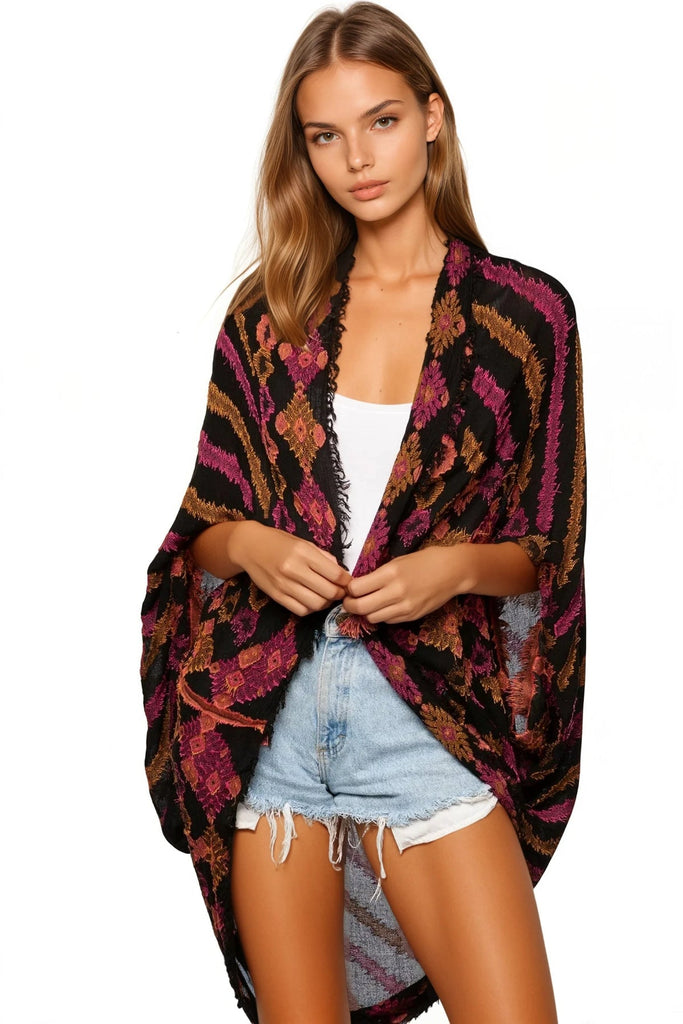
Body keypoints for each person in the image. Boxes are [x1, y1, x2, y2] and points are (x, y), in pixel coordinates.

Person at [140, 4, 586, 1023]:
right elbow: (200, 534)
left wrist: (453, 568)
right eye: (324, 135)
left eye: (380, 121)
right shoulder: (268, 318)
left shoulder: (523, 317)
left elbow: (547, 550)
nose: (357, 159)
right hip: (275, 731)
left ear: (431, 117)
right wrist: (252, 545)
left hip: (424, 724)